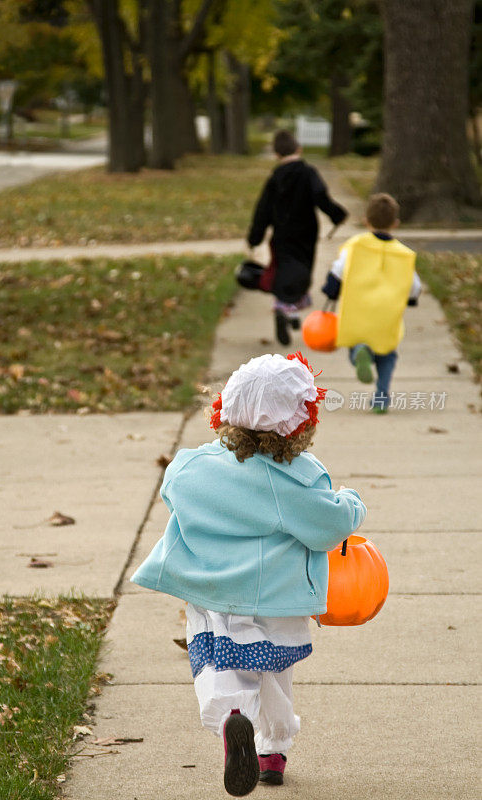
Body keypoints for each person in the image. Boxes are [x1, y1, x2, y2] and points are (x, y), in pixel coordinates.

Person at [131, 352, 367, 796]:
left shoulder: (191, 467)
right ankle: (272, 750)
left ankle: (231, 721)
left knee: (220, 665)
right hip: (278, 598)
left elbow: (171, 491)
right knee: (275, 676)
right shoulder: (296, 478)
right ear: (301, 423)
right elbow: (330, 526)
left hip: (213, 591)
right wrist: (351, 500)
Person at [247, 130, 348, 346]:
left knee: (282, 270)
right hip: (306, 233)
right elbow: (321, 196)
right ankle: (288, 311)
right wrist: (336, 214)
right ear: (299, 149)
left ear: (276, 154)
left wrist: (255, 236)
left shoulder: (275, 178)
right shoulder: (308, 172)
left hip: (282, 233)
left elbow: (262, 209)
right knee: (301, 272)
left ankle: (285, 311)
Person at [322, 192, 421, 412]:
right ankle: (381, 397)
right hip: (386, 317)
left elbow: (338, 271)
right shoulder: (404, 254)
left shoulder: (355, 246)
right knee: (387, 355)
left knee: (357, 344)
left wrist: (330, 290)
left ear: (366, 221)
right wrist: (411, 299)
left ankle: (359, 354)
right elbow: (415, 286)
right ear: (395, 224)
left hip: (358, 314)